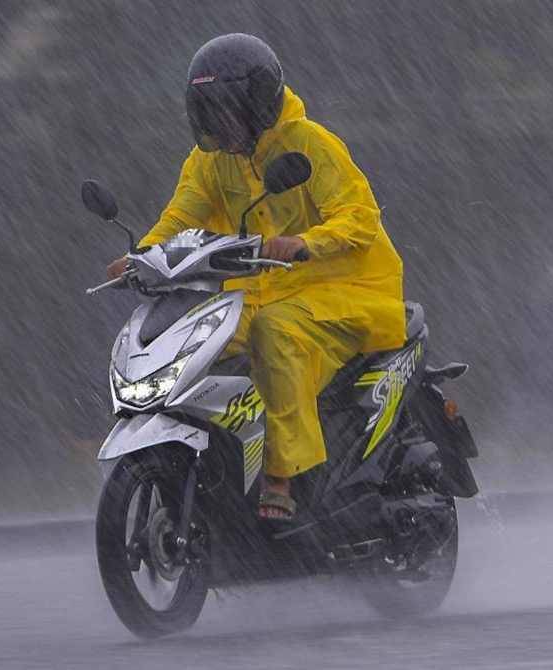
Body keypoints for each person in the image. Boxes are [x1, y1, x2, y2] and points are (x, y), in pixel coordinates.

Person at [106, 33, 406, 522]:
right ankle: (207, 464)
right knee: (186, 345)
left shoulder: (311, 145)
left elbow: (359, 215)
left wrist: (308, 243)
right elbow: (181, 215)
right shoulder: (209, 159)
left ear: (259, 103)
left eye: (226, 110)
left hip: (344, 293)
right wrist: (141, 255)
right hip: (259, 295)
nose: (217, 124)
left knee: (274, 334)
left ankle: (282, 475)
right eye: (208, 112)